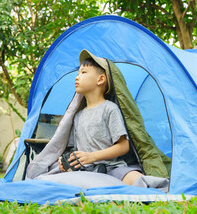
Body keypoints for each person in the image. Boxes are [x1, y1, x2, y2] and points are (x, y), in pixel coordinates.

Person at [58, 49, 143, 185]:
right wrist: (66, 161)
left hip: (112, 168)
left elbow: (123, 146)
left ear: (101, 79)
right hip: (86, 170)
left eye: (83, 73)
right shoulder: (77, 115)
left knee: (139, 181)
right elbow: (75, 149)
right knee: (55, 181)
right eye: (78, 73)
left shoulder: (109, 109)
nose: (77, 77)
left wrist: (92, 156)